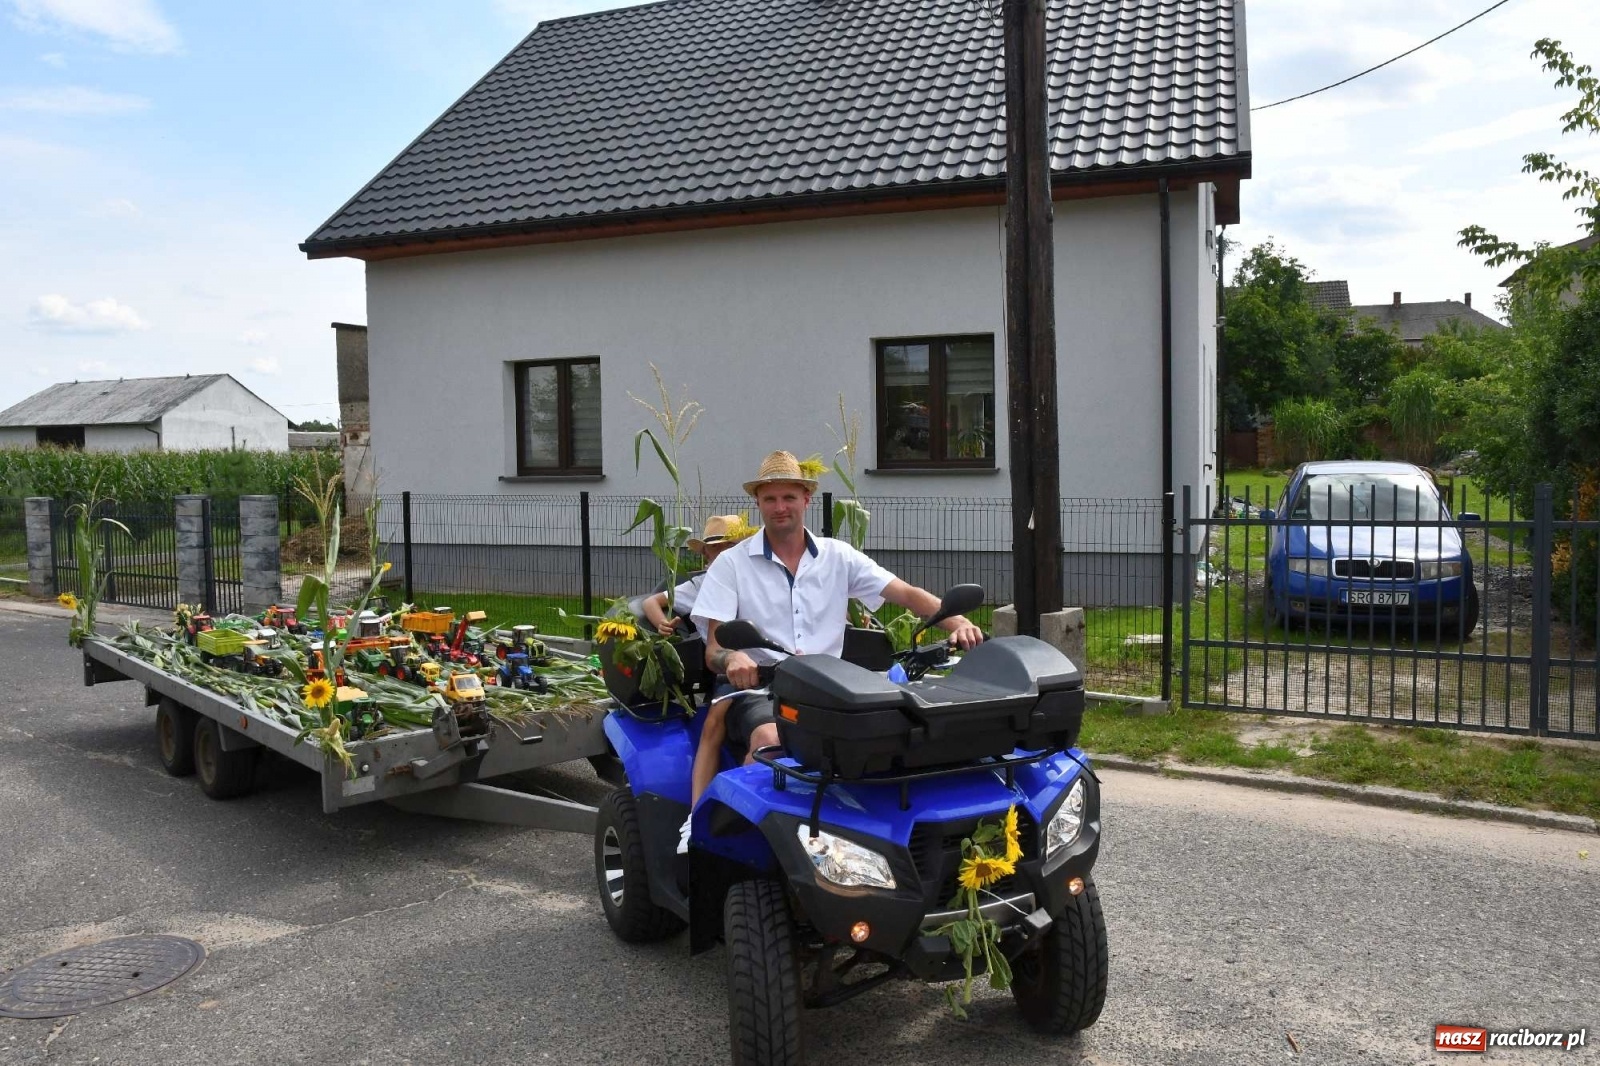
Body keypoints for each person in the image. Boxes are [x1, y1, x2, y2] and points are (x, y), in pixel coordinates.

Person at [680, 450, 984, 851]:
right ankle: (739, 844)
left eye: (789, 497)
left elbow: (905, 594)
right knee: (772, 739)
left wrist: (955, 622)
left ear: (806, 498)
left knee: (899, 734)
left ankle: (884, 842)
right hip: (762, 688)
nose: (780, 507)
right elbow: (715, 648)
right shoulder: (732, 565)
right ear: (758, 503)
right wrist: (733, 658)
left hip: (829, 688)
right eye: (770, 499)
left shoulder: (838, 556)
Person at [637, 514, 749, 639]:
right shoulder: (702, 585)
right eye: (715, 546)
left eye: (731, 546)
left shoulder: (759, 577)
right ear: (706, 554)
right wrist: (663, 624)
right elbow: (650, 602)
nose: (724, 553)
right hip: (723, 654)